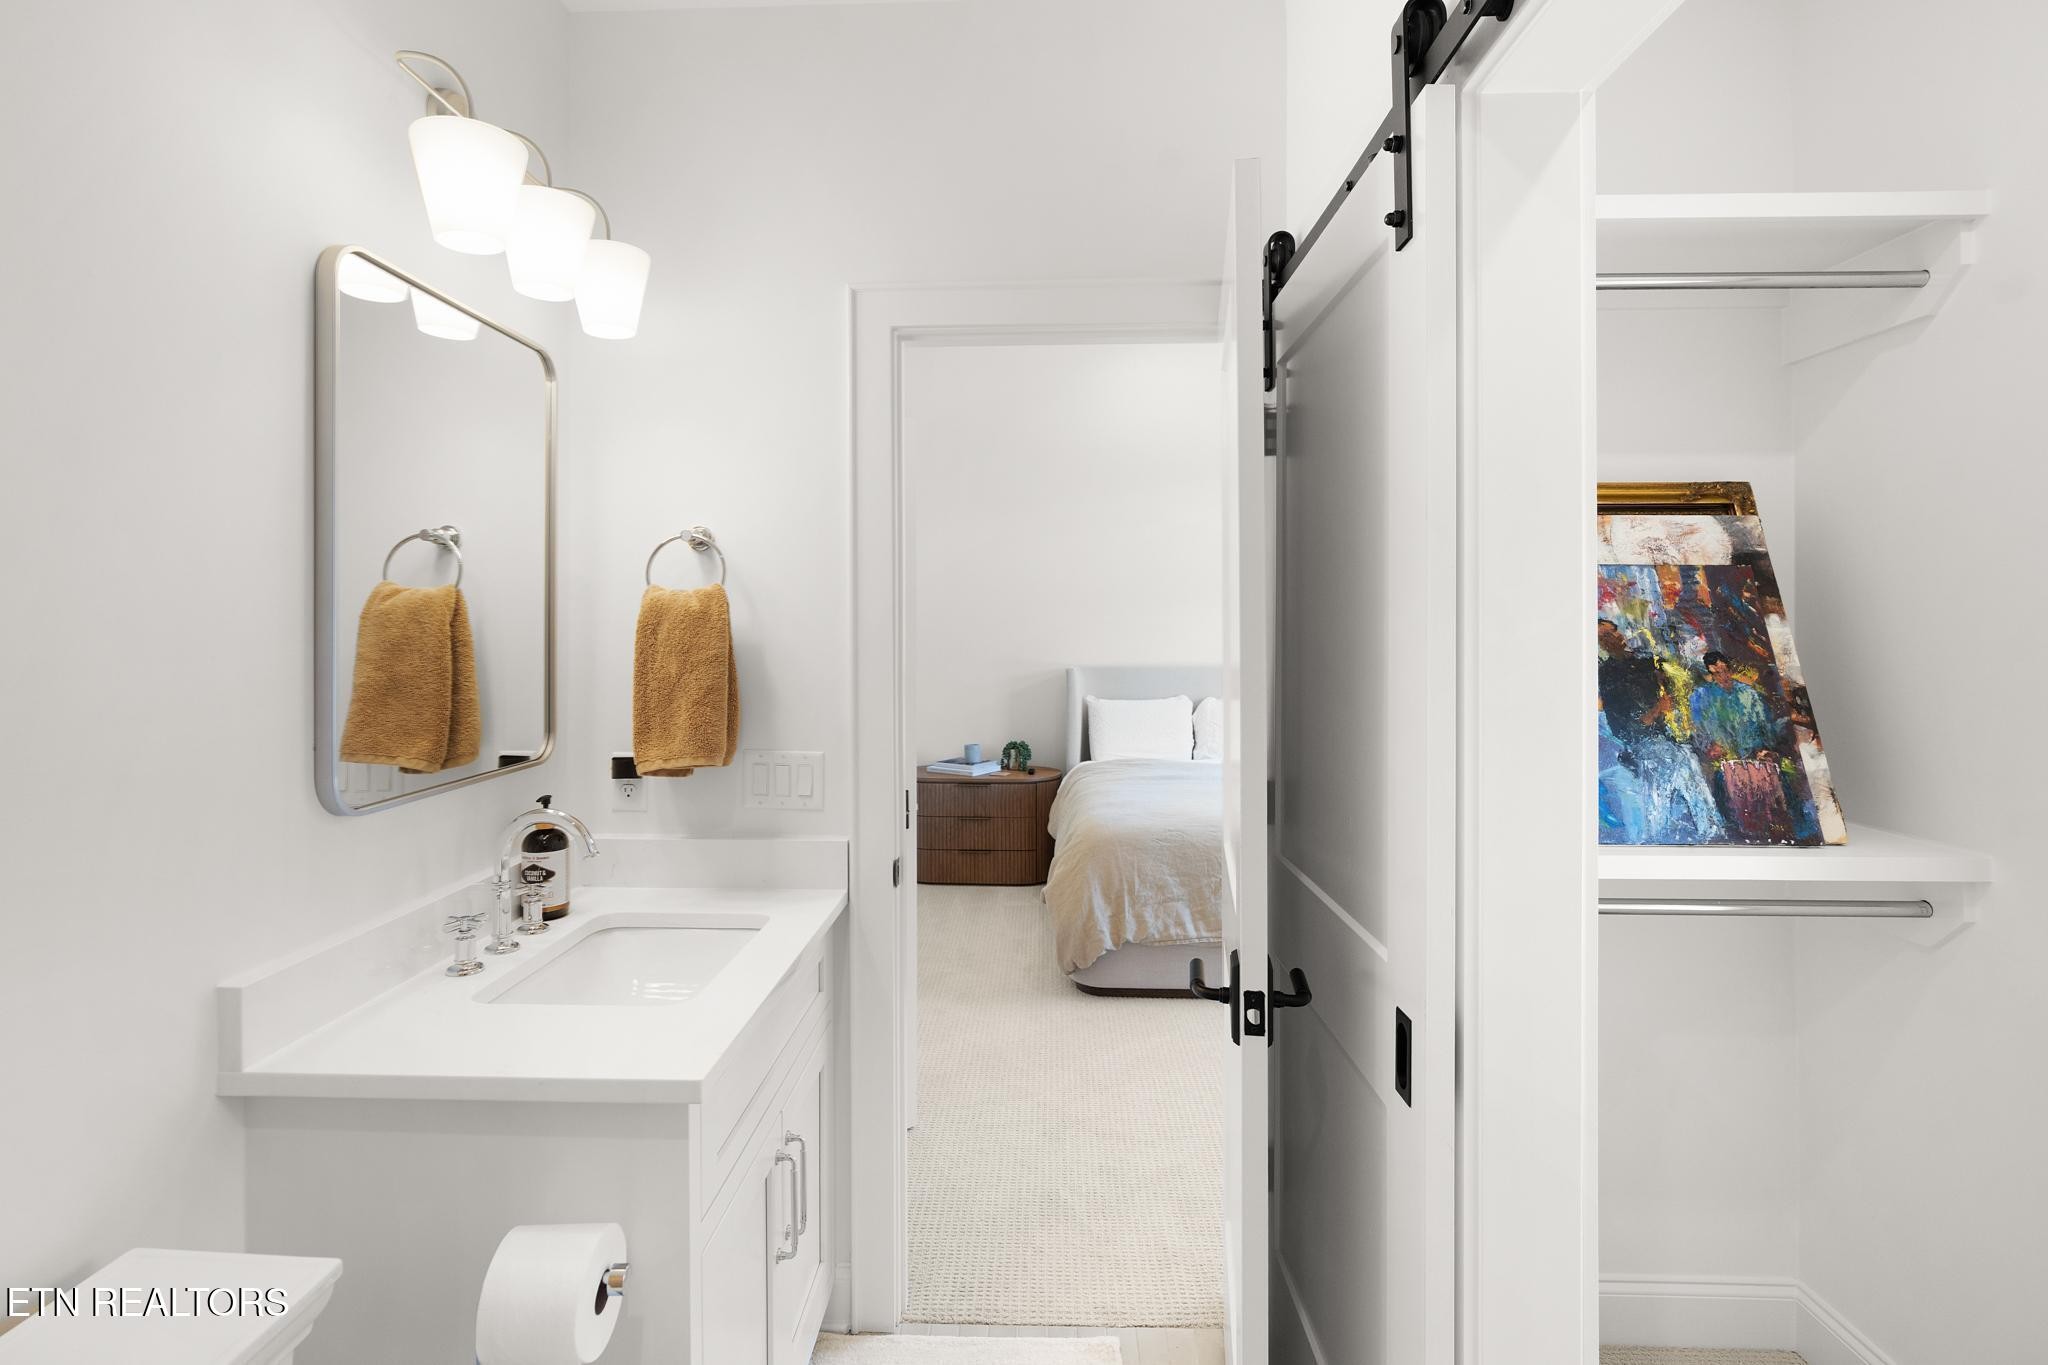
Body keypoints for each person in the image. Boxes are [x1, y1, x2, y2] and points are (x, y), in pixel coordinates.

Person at [1687, 651, 1779, 761]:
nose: (1723, 676)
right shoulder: (1701, 696)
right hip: (1720, 760)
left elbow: (1766, 726)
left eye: (1725, 671)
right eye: (1717, 673)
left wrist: (1764, 748)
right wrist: (1709, 747)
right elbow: (1697, 729)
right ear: (1711, 675)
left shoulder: (1750, 694)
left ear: (1730, 670)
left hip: (1753, 757)